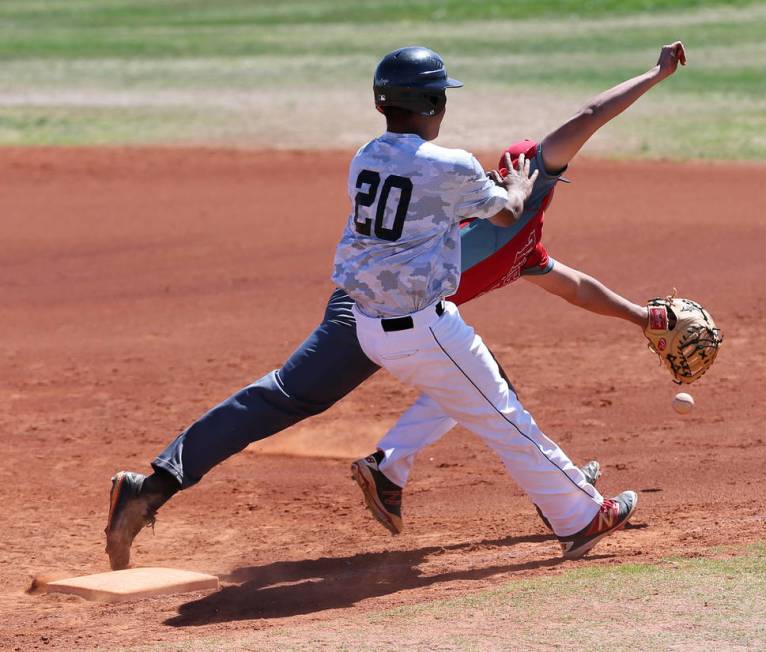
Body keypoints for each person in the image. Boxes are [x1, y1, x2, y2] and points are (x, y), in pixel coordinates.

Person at [105, 42, 685, 569]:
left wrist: (641, 317)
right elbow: (581, 124)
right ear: (434, 101)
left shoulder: (373, 158)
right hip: (412, 325)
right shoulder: (476, 174)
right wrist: (652, 77)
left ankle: (155, 486)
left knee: (283, 396)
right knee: (497, 406)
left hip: (357, 312)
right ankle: (573, 512)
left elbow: (573, 284)